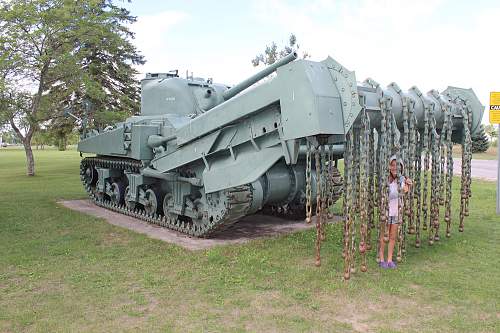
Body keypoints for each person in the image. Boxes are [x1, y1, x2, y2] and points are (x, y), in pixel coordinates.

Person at [378, 155, 412, 269]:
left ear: (401, 168)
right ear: (389, 166)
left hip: (396, 212)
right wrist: (401, 191)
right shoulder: (385, 180)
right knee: (384, 235)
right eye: (392, 165)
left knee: (392, 236)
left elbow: (405, 192)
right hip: (386, 213)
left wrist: (408, 185)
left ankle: (389, 259)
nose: (394, 168)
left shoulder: (401, 180)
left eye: (397, 166)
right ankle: (381, 258)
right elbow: (387, 195)